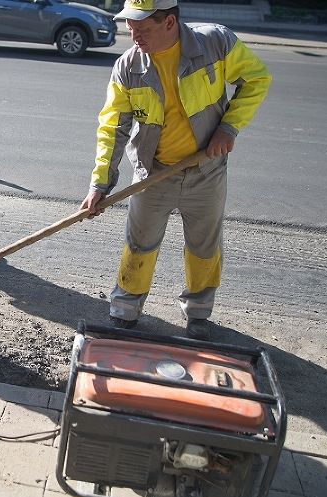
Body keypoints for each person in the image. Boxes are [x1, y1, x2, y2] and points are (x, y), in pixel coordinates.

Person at [81, 0, 271, 340]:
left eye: (143, 29)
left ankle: (198, 313)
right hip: (152, 174)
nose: (134, 36)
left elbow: (257, 79)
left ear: (170, 22)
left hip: (205, 171)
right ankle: (125, 310)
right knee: (139, 245)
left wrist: (229, 127)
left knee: (203, 247)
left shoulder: (215, 43)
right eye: (131, 28)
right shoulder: (128, 67)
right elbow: (113, 127)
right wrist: (100, 183)